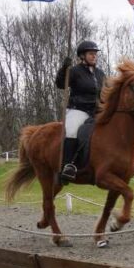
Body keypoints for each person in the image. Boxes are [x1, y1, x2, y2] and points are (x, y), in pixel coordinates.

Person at [55, 40, 106, 182]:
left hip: (96, 111)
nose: (94, 56)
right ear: (82, 56)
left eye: (95, 54)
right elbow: (60, 84)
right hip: (78, 110)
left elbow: (105, 93)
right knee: (71, 131)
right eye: (91, 54)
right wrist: (64, 69)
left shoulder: (100, 74)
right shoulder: (75, 71)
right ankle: (67, 166)